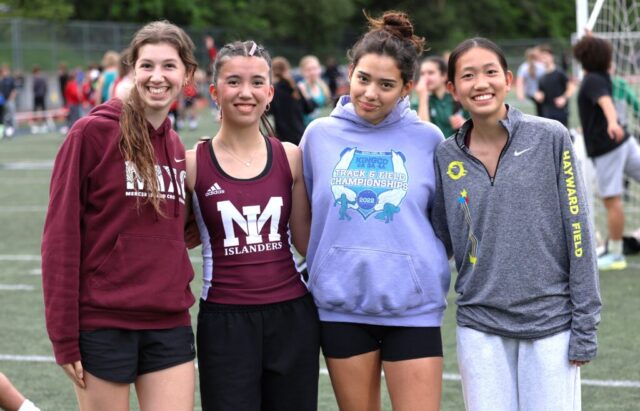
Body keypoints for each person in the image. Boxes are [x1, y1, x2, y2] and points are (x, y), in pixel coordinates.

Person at [431, 37, 601, 411]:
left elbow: (579, 232)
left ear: (508, 80)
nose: (480, 83)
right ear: (452, 89)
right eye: (468, 76)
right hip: (479, 327)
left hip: (550, 324)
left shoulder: (551, 137)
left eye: (490, 72)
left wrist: (585, 326)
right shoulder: (445, 154)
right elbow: (438, 242)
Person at [41, 21, 198, 411]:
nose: (157, 77)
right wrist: (63, 336)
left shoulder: (176, 146)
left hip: (169, 321)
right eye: (147, 66)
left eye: (169, 66)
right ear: (132, 71)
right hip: (103, 322)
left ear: (187, 75)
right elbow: (60, 238)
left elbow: (175, 233)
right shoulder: (90, 134)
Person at [300, 11, 450, 411]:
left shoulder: (429, 139)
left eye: (386, 85)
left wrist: (415, 266)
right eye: (363, 79)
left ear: (406, 88)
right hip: (341, 307)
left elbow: (442, 223)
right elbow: (307, 216)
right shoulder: (318, 135)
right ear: (350, 73)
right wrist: (330, 263)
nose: (370, 93)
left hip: (413, 307)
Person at [187, 40, 319, 411]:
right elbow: (176, 240)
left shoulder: (289, 156)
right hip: (224, 322)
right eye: (233, 82)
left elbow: (307, 243)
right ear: (215, 92)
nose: (246, 92)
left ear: (270, 92)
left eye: (257, 82)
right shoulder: (192, 163)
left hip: (292, 317)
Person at [574, 34, 640, 270]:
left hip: (608, 146)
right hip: (624, 142)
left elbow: (606, 103)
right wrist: (590, 39)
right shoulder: (603, 75)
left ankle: (615, 253)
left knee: (612, 200)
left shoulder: (592, 80)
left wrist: (612, 122)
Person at [415, 56, 467, 138]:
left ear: (444, 76)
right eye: (422, 74)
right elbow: (423, 134)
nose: (425, 79)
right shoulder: (418, 103)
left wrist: (465, 124)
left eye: (430, 73)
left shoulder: (459, 98)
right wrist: (423, 97)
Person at [269, 56, 314, 145]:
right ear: (287, 69)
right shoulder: (295, 88)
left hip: (284, 139)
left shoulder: (273, 91)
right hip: (300, 135)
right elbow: (309, 109)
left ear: (272, 71)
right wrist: (307, 96)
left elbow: (268, 112)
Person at [534, 44, 575, 127]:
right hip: (546, 115)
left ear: (551, 56)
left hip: (560, 114)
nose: (544, 59)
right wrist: (538, 95)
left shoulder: (560, 73)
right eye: (542, 57)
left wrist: (564, 98)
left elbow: (571, 87)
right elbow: (539, 92)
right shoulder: (541, 77)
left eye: (546, 56)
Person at [298, 55, 331, 126]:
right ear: (302, 71)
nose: (312, 72)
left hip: (321, 126)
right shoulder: (300, 87)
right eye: (308, 70)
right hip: (305, 128)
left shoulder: (323, 86)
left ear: (319, 69)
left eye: (314, 68)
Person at [515, 47, 545, 116]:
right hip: (540, 95)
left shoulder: (523, 67)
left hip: (530, 94)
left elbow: (520, 83)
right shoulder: (541, 67)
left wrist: (520, 95)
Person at [31, 66, 48, 134]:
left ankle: (42, 124)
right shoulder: (41, 78)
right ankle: (40, 124)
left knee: (38, 110)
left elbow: (34, 88)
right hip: (41, 95)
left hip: (38, 96)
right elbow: (45, 87)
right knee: (40, 109)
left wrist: (40, 92)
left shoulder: (36, 79)